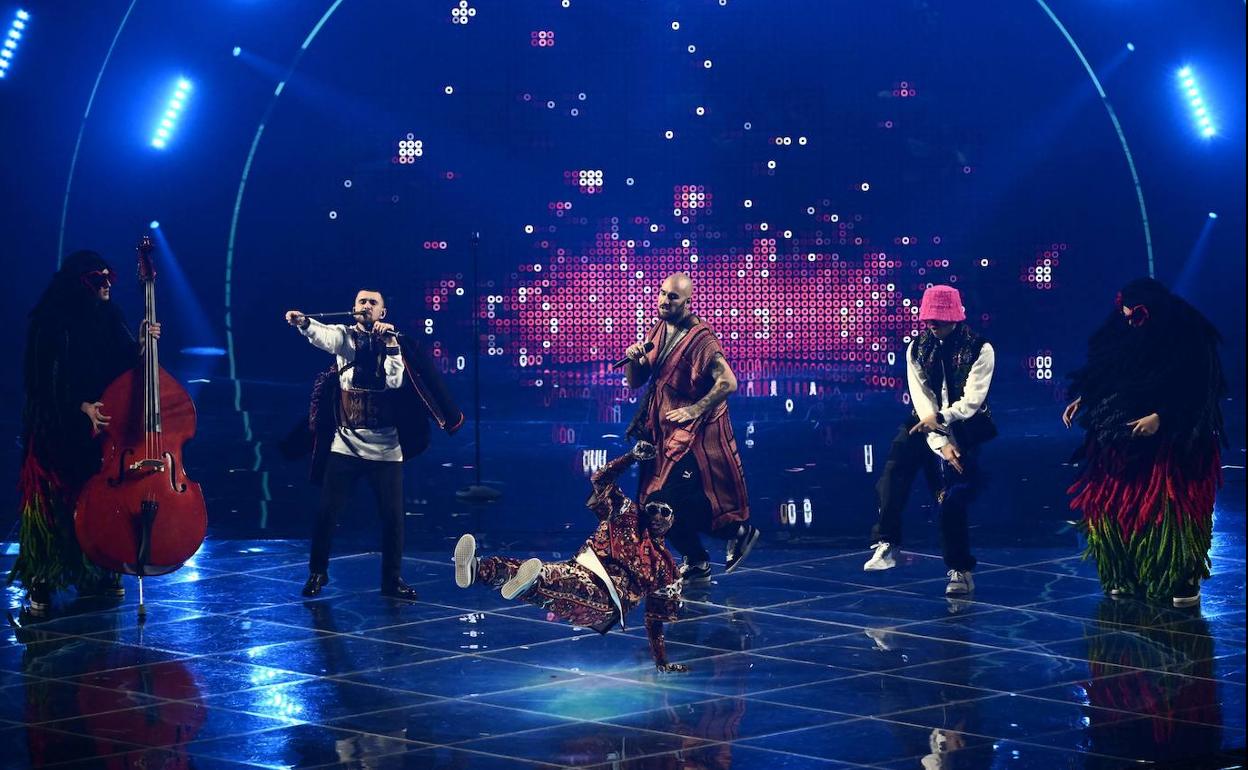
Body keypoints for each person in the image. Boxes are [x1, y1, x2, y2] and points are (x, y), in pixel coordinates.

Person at [285, 289, 463, 601]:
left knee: (393, 519)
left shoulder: (395, 343)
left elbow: (395, 381)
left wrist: (391, 344)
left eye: (373, 303)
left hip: (385, 449)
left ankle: (391, 580)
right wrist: (304, 323)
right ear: (354, 307)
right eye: (361, 302)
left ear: (382, 312)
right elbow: (323, 335)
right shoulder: (344, 338)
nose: (366, 306)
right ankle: (317, 572)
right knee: (327, 513)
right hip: (345, 446)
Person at [8, 251, 159, 616]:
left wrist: (142, 345)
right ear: (81, 284)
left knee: (96, 501)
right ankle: (42, 579)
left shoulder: (109, 315)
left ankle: (99, 567)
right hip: (57, 431)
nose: (107, 285)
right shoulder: (51, 320)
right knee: (53, 506)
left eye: (110, 278)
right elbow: (41, 383)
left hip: (99, 431)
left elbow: (123, 365)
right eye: (98, 279)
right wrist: (81, 406)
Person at [453, 443, 688, 672]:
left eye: (664, 512)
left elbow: (654, 619)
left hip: (606, 602)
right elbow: (600, 479)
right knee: (546, 571)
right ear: (645, 509)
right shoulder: (625, 514)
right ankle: (478, 570)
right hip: (581, 568)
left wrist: (661, 661)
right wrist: (631, 457)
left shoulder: (666, 568)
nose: (657, 516)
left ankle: (527, 586)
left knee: (563, 584)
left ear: (673, 518)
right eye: (653, 509)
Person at [1063, 278, 1225, 607]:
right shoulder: (1120, 329)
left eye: (1134, 315)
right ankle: (1124, 572)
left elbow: (1199, 388)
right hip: (1120, 435)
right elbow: (1107, 369)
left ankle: (1181, 576)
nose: (1127, 322)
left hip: (1173, 442)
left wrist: (1163, 416)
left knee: (1170, 508)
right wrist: (1086, 396)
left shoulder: (1187, 334)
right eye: (1123, 315)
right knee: (1116, 507)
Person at [622, 272, 756, 586]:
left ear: (687, 302)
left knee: (662, 505)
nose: (664, 300)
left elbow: (728, 382)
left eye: (673, 297)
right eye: (662, 293)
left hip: (694, 438)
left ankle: (736, 532)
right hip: (663, 434)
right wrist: (633, 360)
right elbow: (636, 381)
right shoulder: (659, 328)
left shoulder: (701, 339)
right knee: (652, 507)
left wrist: (694, 409)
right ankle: (697, 561)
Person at [864, 284, 996, 597]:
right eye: (928, 318)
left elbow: (971, 401)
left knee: (952, 498)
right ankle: (887, 542)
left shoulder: (981, 349)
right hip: (925, 422)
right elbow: (921, 397)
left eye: (938, 318)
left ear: (955, 317)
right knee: (893, 470)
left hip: (964, 425)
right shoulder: (917, 348)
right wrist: (939, 441)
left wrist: (945, 429)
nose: (932, 324)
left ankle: (960, 570)